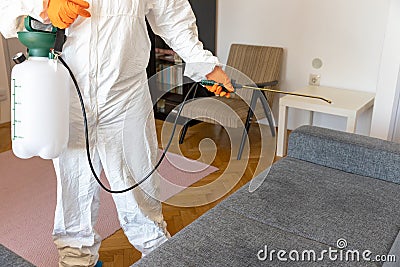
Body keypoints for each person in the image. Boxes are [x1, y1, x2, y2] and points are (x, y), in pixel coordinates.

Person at [0, 0, 233, 266]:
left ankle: (157, 255)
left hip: (126, 96)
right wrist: (44, 6)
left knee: (138, 185)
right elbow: (7, 8)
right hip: (69, 92)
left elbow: (173, 17)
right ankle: (76, 259)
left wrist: (205, 65)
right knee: (74, 185)